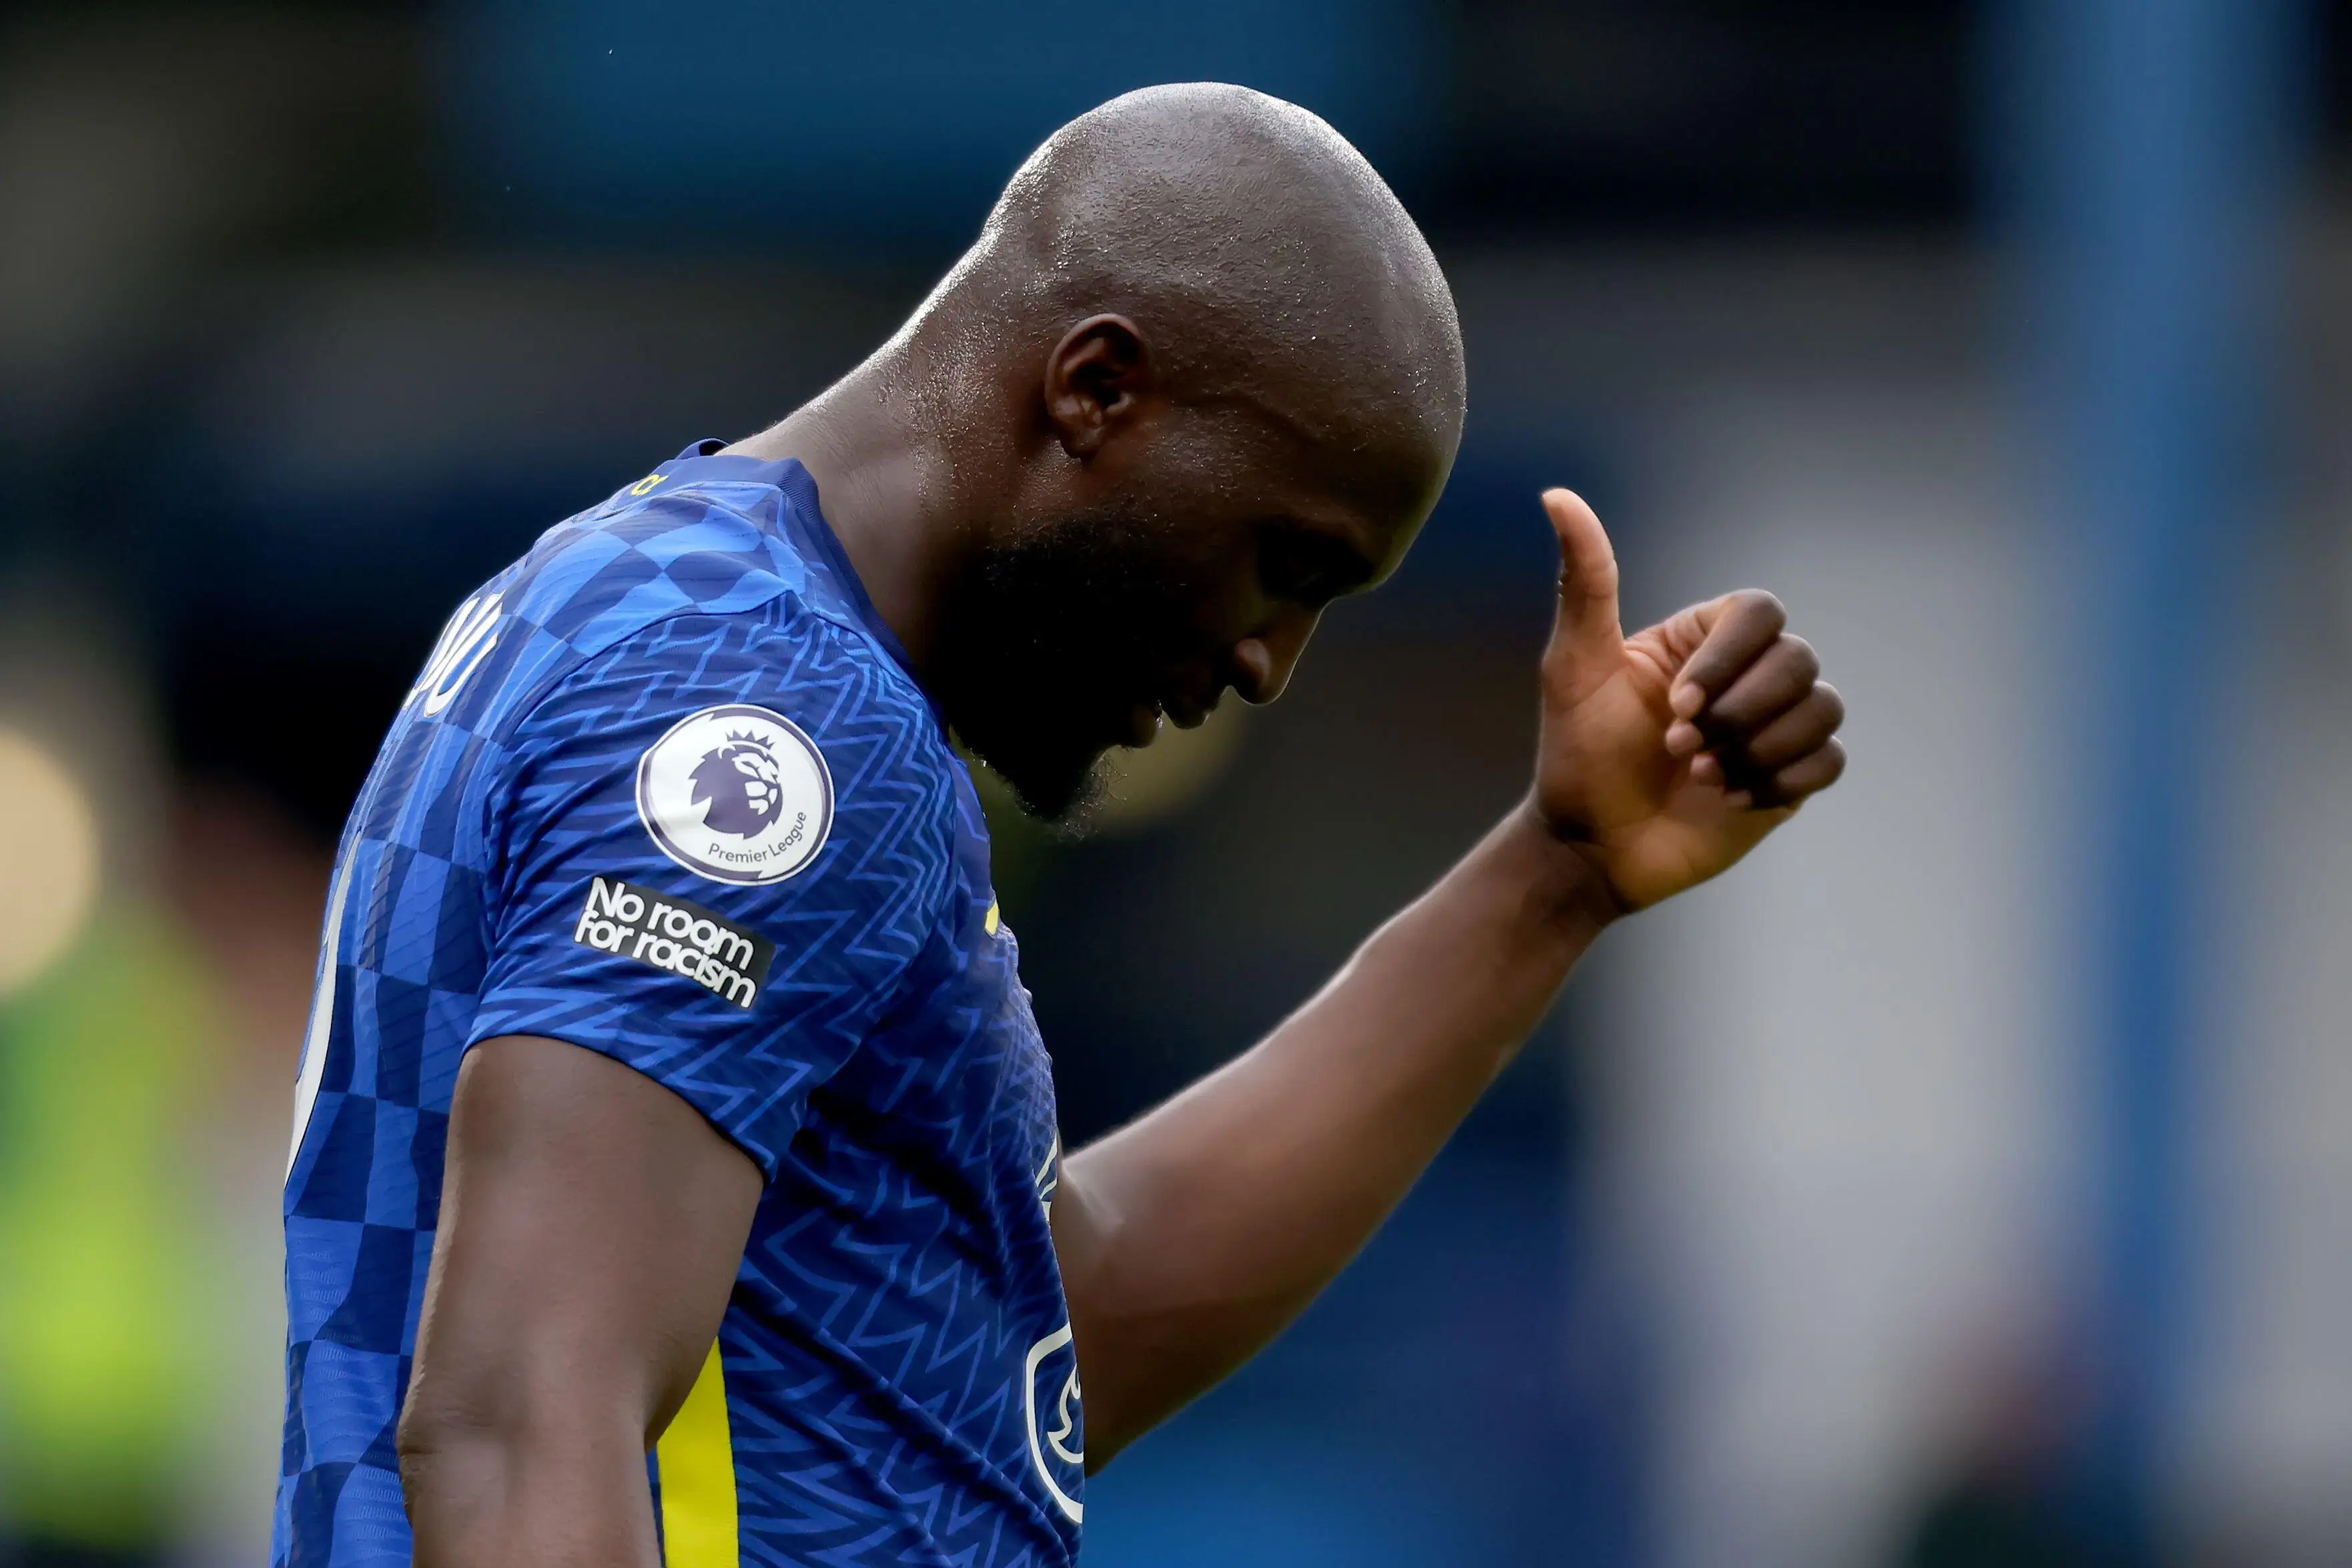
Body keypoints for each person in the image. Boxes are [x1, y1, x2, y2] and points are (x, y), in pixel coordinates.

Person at [277, 83, 1846, 1568]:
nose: (1266, 661)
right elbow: (518, 1419)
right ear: (1097, 389)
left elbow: (1023, 1327)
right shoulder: (761, 711)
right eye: (1283, 562)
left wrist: (1554, 876)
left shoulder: (670, 612)